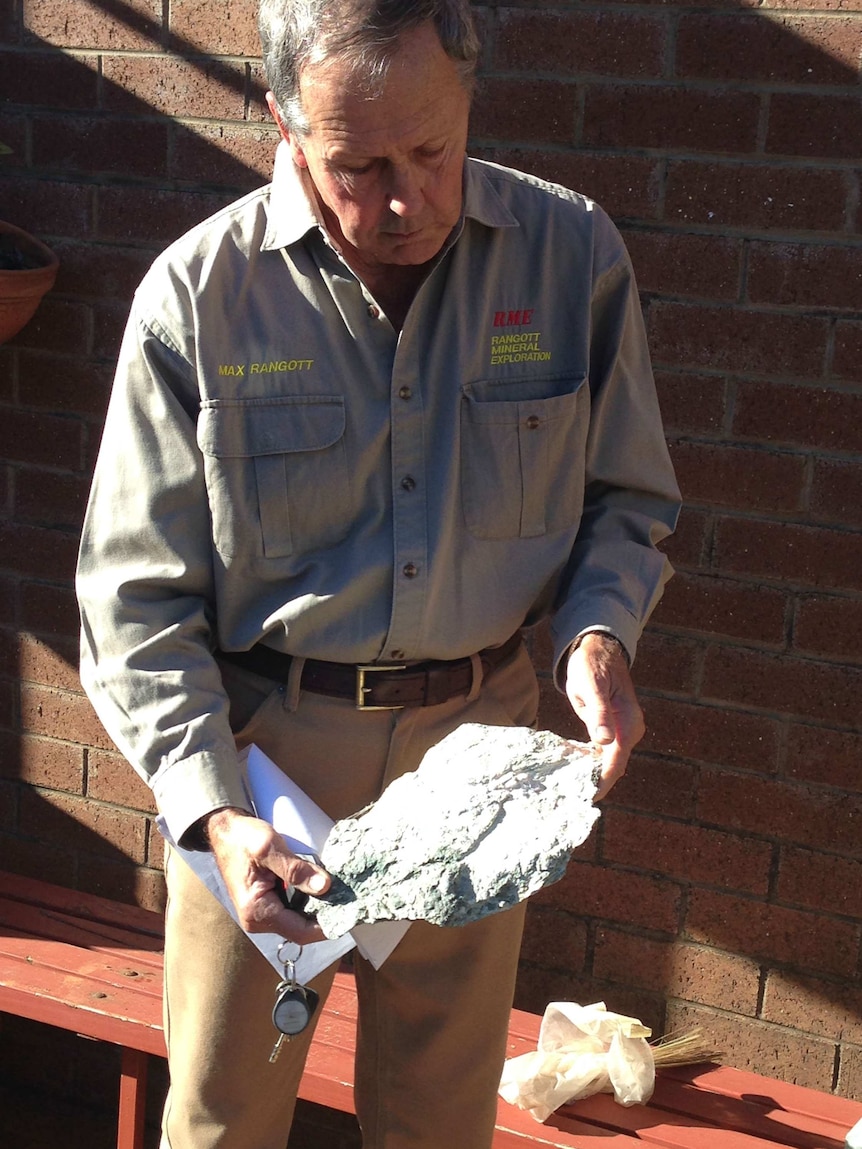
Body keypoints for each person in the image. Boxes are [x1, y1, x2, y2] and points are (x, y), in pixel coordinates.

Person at [76, 1, 681, 1146]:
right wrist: (210, 812)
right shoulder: (199, 297)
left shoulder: (570, 256)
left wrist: (596, 635)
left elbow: (624, 500)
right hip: (261, 772)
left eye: (433, 152)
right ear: (283, 122)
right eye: (356, 165)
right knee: (222, 1119)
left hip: (475, 763)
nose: (404, 201)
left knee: (439, 1123)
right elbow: (133, 599)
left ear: (468, 102)